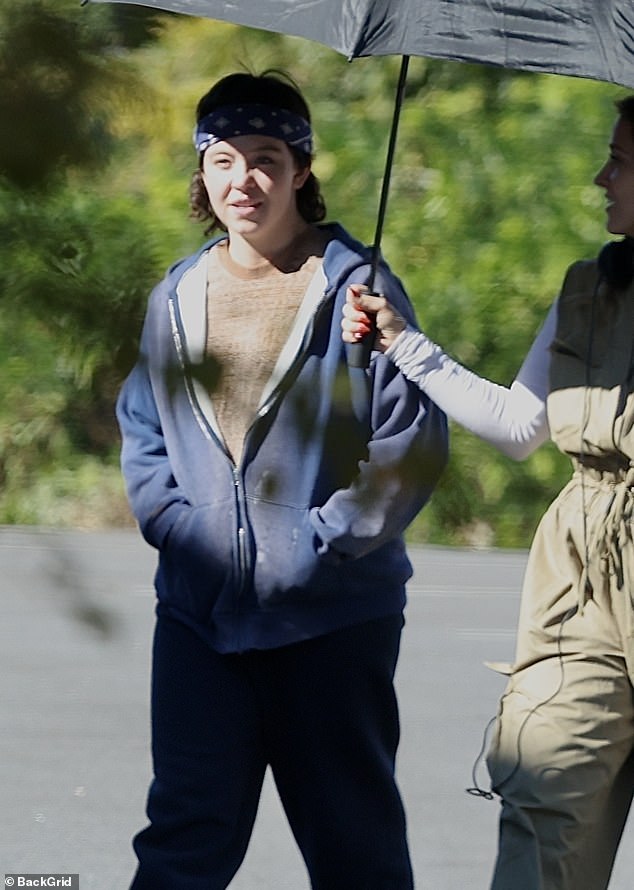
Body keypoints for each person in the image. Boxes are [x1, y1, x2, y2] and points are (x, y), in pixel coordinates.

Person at [116, 69, 448, 890]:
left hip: (332, 623)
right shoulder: (177, 295)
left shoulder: (358, 290)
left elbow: (411, 443)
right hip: (199, 619)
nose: (245, 181)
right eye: (224, 159)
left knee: (354, 848)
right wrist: (184, 532)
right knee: (182, 842)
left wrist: (317, 544)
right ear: (202, 173)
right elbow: (144, 432)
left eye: (266, 157)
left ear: (302, 169)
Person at [342, 95, 634, 890]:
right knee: (542, 796)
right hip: (580, 576)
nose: (601, 176)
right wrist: (402, 341)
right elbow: (517, 425)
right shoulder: (589, 288)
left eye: (622, 160)